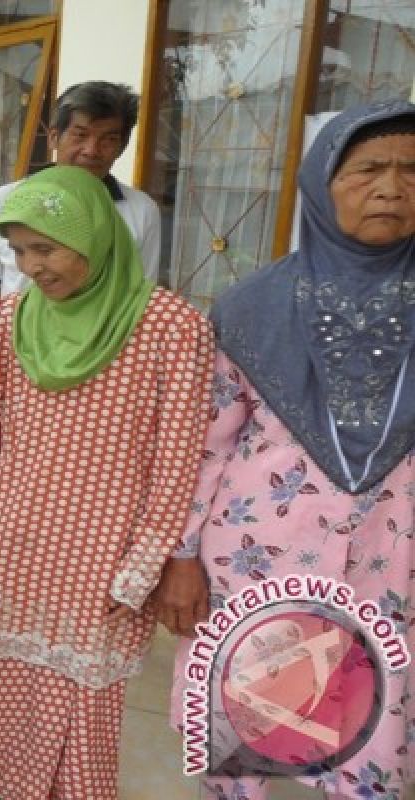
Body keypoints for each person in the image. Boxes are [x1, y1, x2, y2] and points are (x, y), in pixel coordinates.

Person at [154, 100, 415, 799]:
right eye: (367, 170)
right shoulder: (250, 306)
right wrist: (180, 559)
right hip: (261, 556)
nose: (392, 187)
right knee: (251, 718)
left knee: (371, 724)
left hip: (390, 563)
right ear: (322, 184)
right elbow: (204, 446)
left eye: (413, 171)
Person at [0, 165, 212, 799]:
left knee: (84, 702)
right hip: (12, 537)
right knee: (5, 676)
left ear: (95, 237)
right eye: (18, 251)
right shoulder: (11, 318)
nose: (31, 265)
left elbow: (179, 461)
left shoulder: (172, 327)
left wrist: (145, 564)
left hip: (103, 551)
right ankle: (7, 779)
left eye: (47, 247)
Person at [0, 80, 163, 647]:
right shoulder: (8, 200)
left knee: (73, 497)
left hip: (97, 377)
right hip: (15, 371)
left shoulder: (137, 211)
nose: (92, 150)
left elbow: (138, 303)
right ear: (55, 135)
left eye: (109, 140)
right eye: (80, 134)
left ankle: (70, 608)